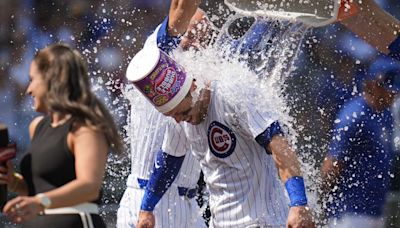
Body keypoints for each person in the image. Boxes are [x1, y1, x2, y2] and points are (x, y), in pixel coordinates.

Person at [127, 28, 315, 228]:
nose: (180, 121)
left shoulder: (233, 92)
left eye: (182, 113)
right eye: (172, 116)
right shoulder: (181, 115)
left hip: (263, 221)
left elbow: (279, 144)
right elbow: (169, 161)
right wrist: (146, 209)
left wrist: (299, 203)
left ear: (194, 87)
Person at [0, 43, 123, 228]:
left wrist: (40, 202)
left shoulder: (86, 128)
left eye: (32, 79)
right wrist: (14, 182)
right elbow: (42, 189)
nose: (28, 89)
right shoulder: (37, 127)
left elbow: (89, 187)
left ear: (53, 79)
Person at [117, 1, 209, 227]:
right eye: (193, 33)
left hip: (189, 204)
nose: (198, 42)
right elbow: (180, 10)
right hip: (148, 199)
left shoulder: (204, 71)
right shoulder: (158, 55)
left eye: (205, 38)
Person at [320, 55, 400, 227]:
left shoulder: (385, 114)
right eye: (388, 87)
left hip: (375, 210)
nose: (394, 93)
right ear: (373, 84)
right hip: (349, 212)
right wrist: (322, 203)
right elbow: (332, 164)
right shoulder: (354, 115)